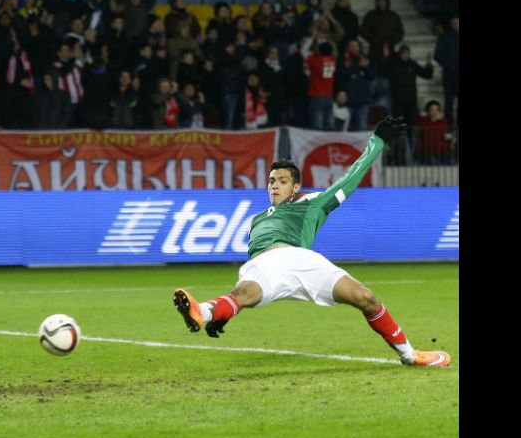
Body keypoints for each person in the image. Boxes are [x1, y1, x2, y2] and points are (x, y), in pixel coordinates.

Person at [172, 116, 451, 368]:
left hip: (302, 261)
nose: (274, 185)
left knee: (366, 298)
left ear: (295, 188)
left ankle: (410, 355)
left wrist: (376, 142)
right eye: (271, 181)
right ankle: (204, 312)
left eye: (282, 181)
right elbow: (255, 265)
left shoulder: (312, 203)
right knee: (243, 294)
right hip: (266, 265)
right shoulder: (257, 219)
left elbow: (349, 179)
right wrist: (225, 314)